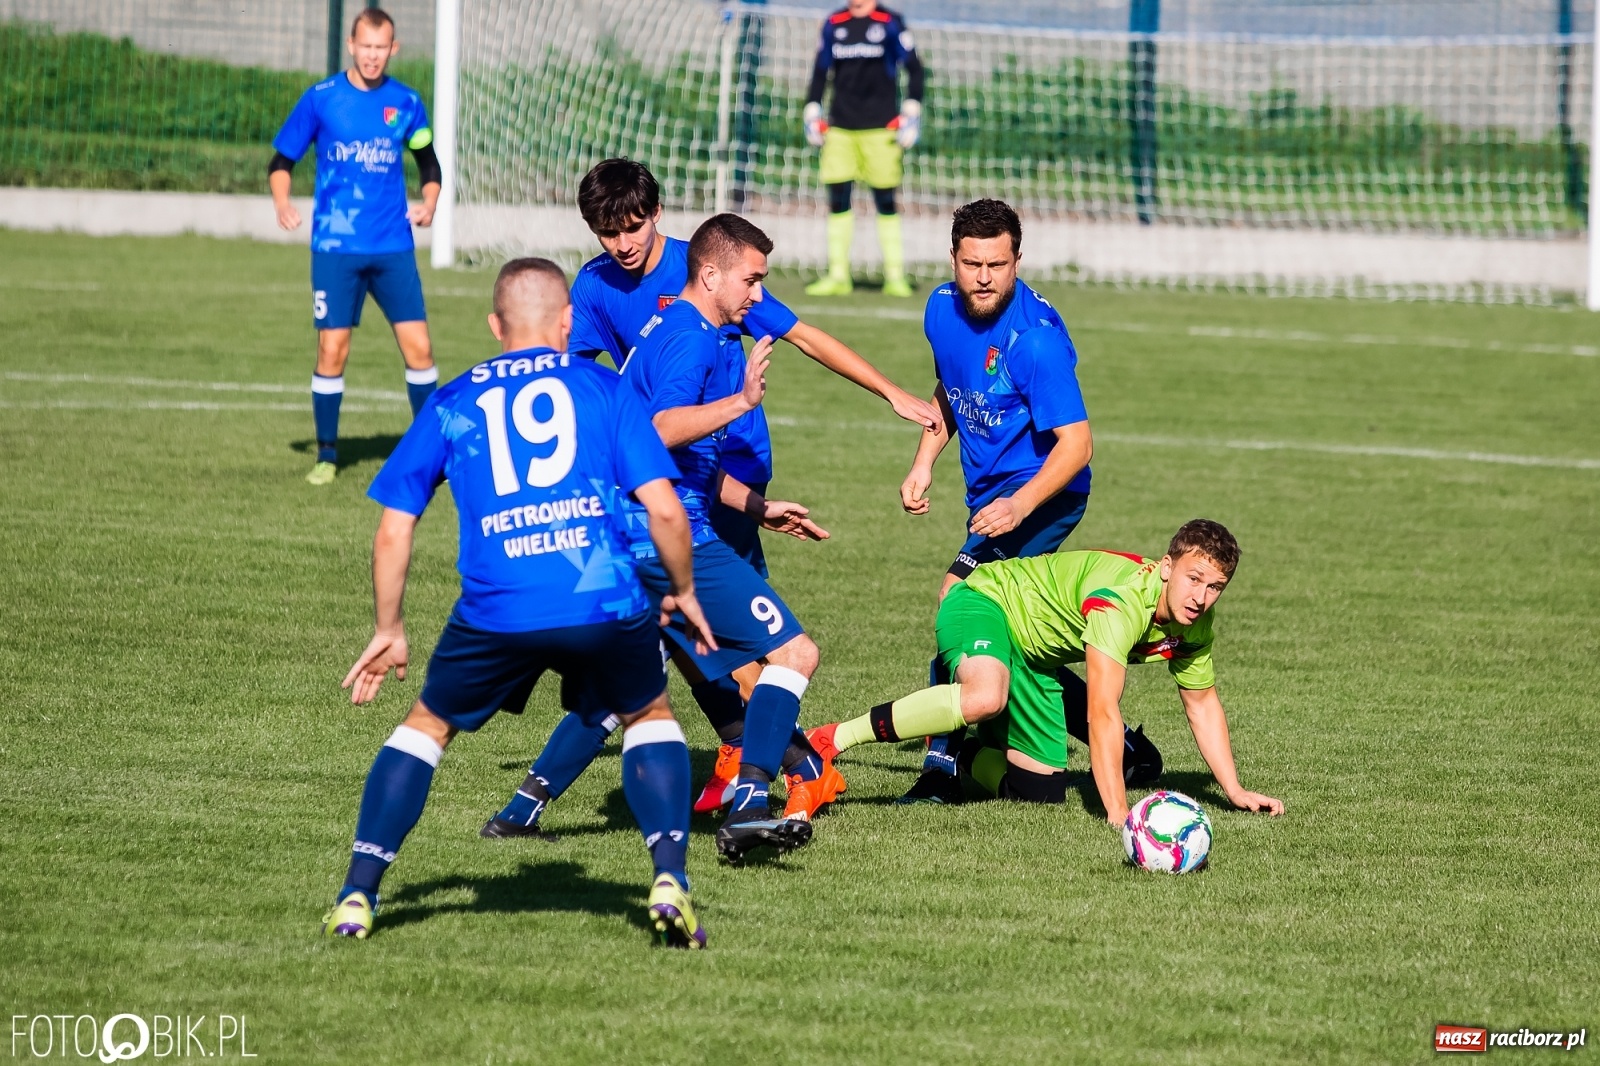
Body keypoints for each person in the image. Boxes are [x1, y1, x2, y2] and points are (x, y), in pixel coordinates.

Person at [479, 159, 936, 835]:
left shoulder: (692, 301)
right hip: (674, 512)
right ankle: (778, 781)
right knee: (778, 653)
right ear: (716, 276)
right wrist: (741, 400)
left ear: (658, 217)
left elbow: (794, 340)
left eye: (632, 226)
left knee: (668, 658)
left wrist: (757, 499)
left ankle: (525, 807)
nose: (622, 242)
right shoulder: (684, 323)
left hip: (693, 487)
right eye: (607, 232)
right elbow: (651, 425)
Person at [321, 258, 714, 948]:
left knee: (426, 728)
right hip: (603, 600)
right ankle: (668, 877)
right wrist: (682, 591)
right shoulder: (603, 387)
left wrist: (390, 627)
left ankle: (357, 894)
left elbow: (394, 527)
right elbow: (665, 511)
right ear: (567, 324)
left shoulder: (454, 399)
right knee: (649, 714)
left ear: (495, 325)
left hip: (497, 611)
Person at [881, 198, 1162, 805]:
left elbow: (1078, 445)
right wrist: (923, 461)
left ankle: (941, 767)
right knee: (1011, 633)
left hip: (1046, 496)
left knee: (960, 596)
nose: (984, 277)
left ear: (1017, 261)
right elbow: (954, 389)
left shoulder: (1035, 342)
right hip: (991, 499)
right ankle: (1128, 750)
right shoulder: (939, 311)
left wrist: (1020, 504)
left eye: (998, 264)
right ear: (953, 259)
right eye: (972, 263)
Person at [810, 521, 1286, 824]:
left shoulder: (1196, 625)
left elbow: (1201, 703)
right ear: (1166, 568)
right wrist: (1119, 814)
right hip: (986, 603)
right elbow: (1102, 711)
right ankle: (829, 740)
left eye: (1215, 587)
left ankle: (964, 756)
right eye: (1193, 578)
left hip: (1035, 659)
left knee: (1037, 794)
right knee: (984, 697)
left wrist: (1235, 790)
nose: (1201, 596)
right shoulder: (1120, 602)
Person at [269, 7, 441, 486]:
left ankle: (429, 455)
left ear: (393, 49)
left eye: (380, 47)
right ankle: (327, 455)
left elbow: (428, 163)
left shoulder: (406, 102)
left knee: (420, 348)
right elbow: (280, 160)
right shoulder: (322, 99)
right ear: (351, 45)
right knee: (332, 351)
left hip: (392, 247)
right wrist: (282, 202)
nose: (372, 55)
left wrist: (429, 202)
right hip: (335, 247)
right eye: (364, 46)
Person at [802, 0, 925, 297]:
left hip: (882, 130)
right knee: (838, 199)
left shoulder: (890, 21)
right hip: (840, 129)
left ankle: (895, 277)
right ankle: (838, 275)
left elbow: (915, 69)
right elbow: (820, 71)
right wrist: (812, 108)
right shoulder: (834, 22)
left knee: (885, 200)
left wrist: (911, 110)